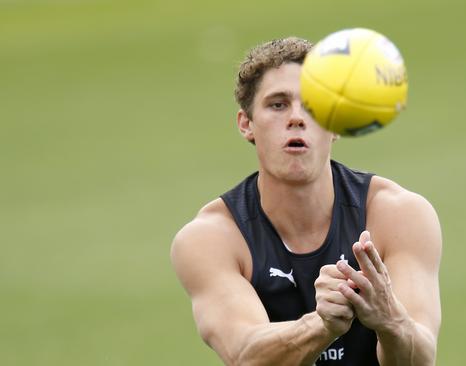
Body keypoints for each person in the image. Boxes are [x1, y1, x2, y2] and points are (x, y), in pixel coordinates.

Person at [171, 37, 442, 365]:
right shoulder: (210, 238)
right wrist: (321, 323)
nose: (297, 117)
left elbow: (421, 359)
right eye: (277, 104)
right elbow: (245, 356)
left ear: (336, 121)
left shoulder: (399, 215)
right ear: (246, 124)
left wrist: (391, 321)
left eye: (313, 105)